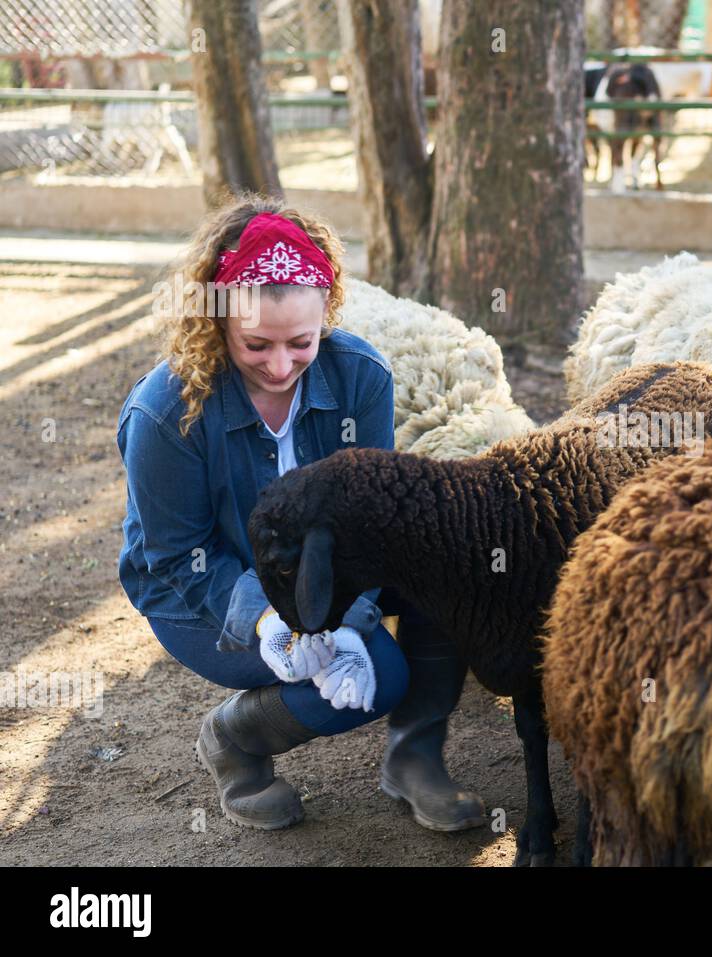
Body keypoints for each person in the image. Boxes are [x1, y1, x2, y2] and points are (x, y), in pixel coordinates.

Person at [116, 195, 484, 833]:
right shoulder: (163, 413)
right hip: (198, 593)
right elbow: (178, 556)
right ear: (217, 323)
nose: (281, 366)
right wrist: (270, 622)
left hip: (334, 567)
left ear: (327, 315)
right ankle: (234, 740)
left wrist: (346, 621)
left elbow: (376, 523)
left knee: (446, 561)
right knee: (378, 678)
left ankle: (415, 759)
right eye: (255, 344)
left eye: (301, 342)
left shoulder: (361, 375)